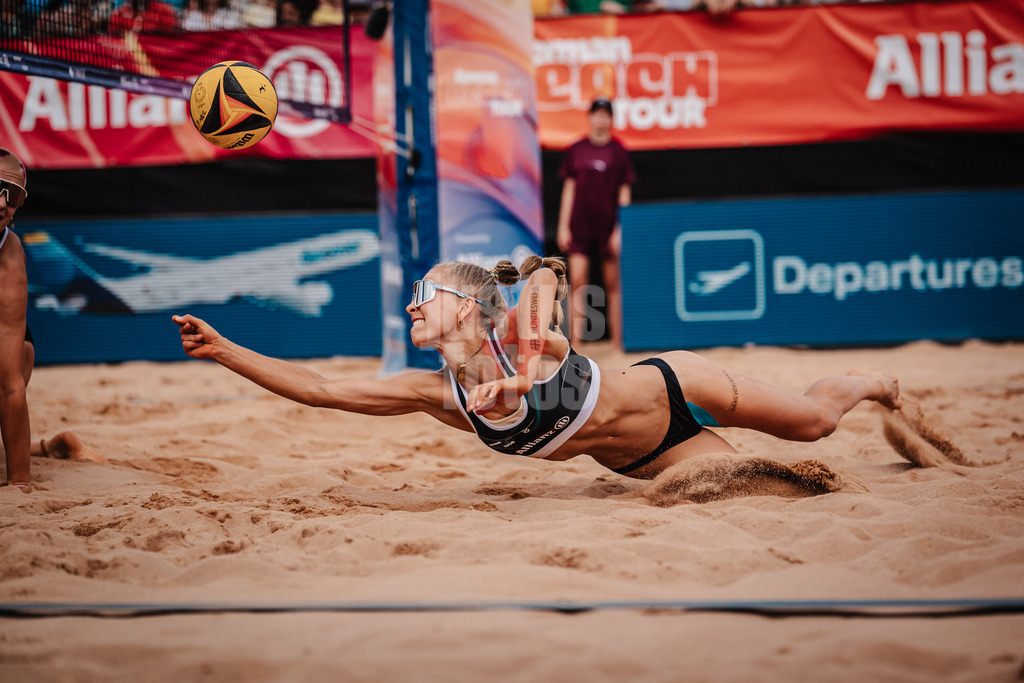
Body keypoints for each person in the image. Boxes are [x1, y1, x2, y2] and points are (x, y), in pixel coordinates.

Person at [173, 256, 901, 480]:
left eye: (422, 299)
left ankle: (871, 383)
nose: (408, 312)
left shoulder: (514, 334)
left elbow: (546, 288)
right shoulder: (439, 394)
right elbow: (322, 389)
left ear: (466, 305)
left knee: (814, 424)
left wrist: (539, 286)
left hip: (676, 382)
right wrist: (225, 348)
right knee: (765, 487)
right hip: (646, 453)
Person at [1, 148, 106, 492]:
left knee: (20, 357)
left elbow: (11, 385)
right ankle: (52, 447)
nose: (2, 203)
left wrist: (20, 484)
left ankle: (46, 450)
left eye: (12, 194)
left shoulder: (9, 252)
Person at [556, 96, 635, 349]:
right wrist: (562, 225)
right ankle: (575, 345)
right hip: (579, 227)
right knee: (577, 281)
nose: (601, 118)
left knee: (613, 283)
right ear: (590, 117)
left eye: (606, 114)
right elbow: (568, 189)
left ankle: (616, 344)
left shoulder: (618, 151)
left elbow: (624, 193)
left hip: (608, 228)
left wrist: (620, 228)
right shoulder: (576, 149)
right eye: (597, 113)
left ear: (611, 119)